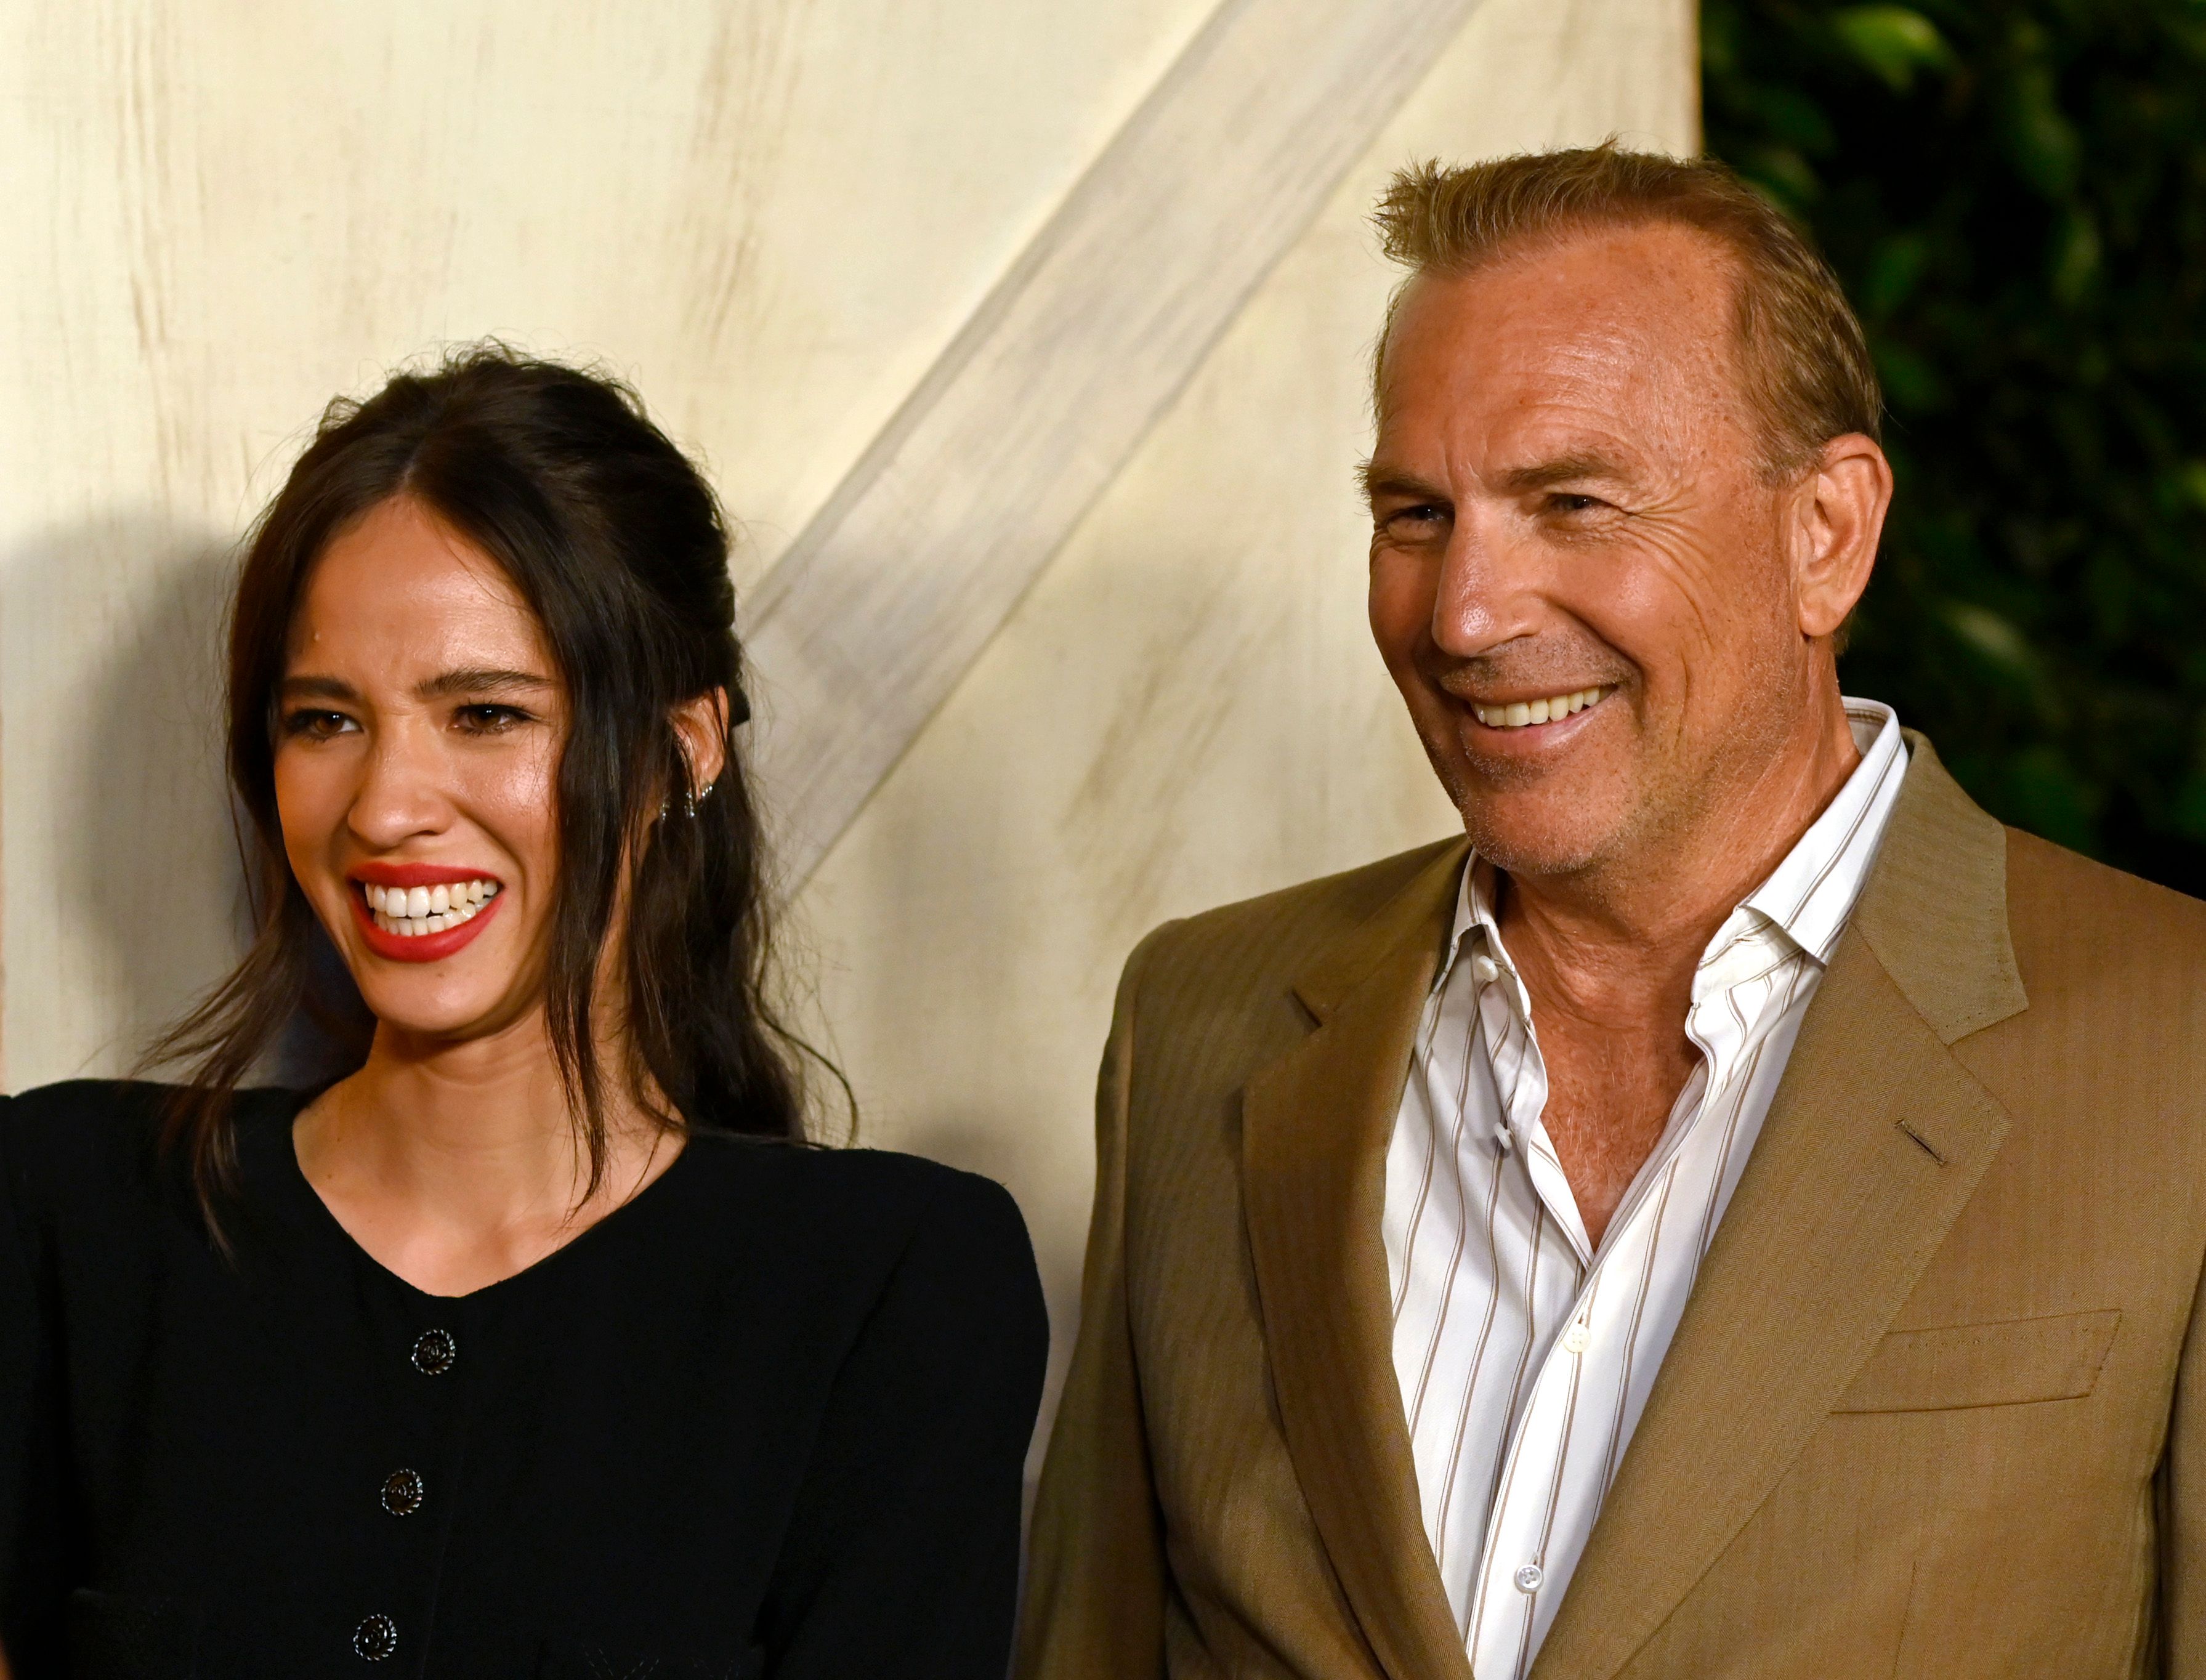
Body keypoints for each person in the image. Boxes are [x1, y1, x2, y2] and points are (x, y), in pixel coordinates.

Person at [1018, 144, 2206, 1678]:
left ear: (1826, 533)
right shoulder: (1200, 1019)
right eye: (1414, 512)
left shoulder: (2173, 1049)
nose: (1465, 614)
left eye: (1572, 501)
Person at [0, 349, 1048, 1678]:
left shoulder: (888, 1289)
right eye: (326, 718)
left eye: (485, 713)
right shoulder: (67, 1215)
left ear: (686, 746)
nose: (385, 804)